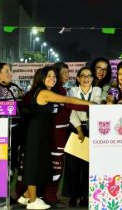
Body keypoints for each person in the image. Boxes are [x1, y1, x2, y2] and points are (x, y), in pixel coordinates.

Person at [18, 66, 93, 210]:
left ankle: (26, 195)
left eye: (54, 76)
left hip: (41, 133)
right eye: (48, 76)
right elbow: (67, 100)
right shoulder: (44, 92)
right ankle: (33, 201)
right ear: (41, 78)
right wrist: (91, 104)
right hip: (36, 133)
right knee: (34, 165)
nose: (52, 79)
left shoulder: (43, 91)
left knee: (40, 165)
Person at [42, 61, 85, 206]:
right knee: (55, 165)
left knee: (58, 165)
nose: (67, 75)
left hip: (62, 132)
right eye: (64, 73)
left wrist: (78, 128)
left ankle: (51, 196)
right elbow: (70, 106)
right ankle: (48, 197)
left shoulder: (61, 90)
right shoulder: (53, 91)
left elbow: (69, 110)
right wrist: (90, 106)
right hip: (55, 134)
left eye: (68, 72)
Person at [63, 66, 103, 206]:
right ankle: (73, 196)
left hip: (93, 129)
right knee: (73, 164)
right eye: (83, 76)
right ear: (78, 78)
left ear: (92, 78)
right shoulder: (72, 91)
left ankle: (86, 195)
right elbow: (72, 111)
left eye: (89, 76)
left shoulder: (97, 90)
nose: (86, 78)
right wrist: (79, 129)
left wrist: (82, 105)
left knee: (89, 164)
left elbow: (96, 106)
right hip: (76, 128)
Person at [0, 63, 25, 186]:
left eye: (10, 71)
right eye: (7, 71)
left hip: (17, 133)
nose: (10, 74)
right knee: (0, 164)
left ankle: (8, 191)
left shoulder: (16, 88)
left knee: (14, 163)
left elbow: (24, 106)